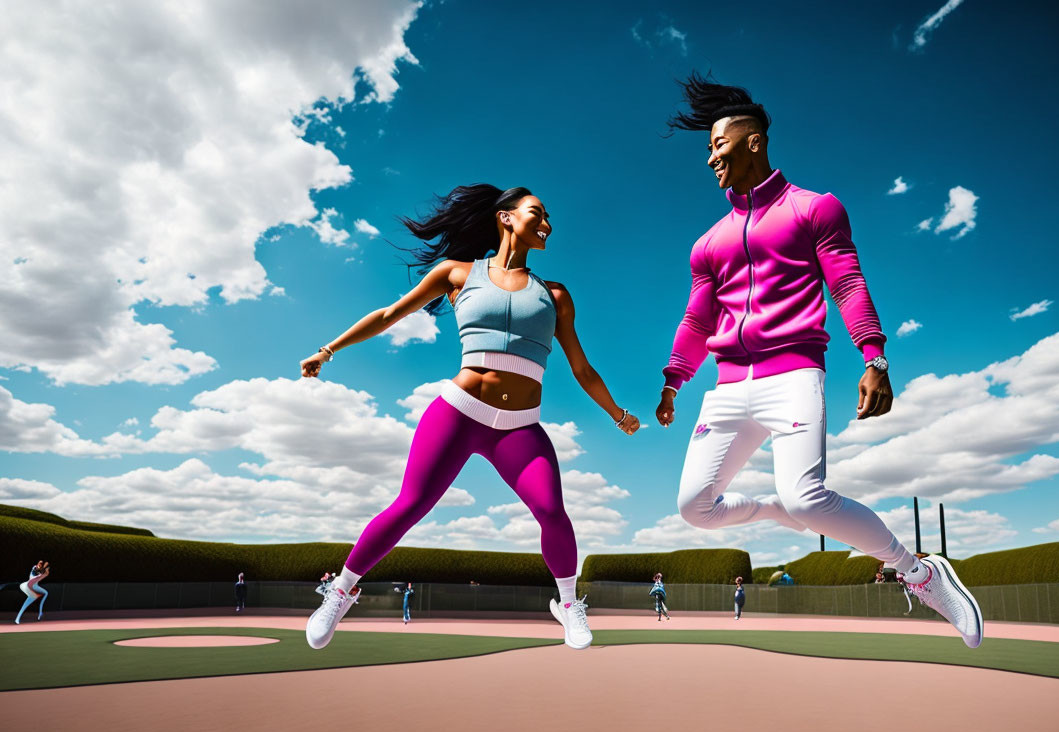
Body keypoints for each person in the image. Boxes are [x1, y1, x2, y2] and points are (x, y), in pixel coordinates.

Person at [656, 72, 983, 648]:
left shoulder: (816, 209)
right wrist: (674, 381)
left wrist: (875, 357)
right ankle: (778, 508)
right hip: (728, 387)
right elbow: (696, 320)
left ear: (753, 141)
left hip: (793, 377)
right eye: (707, 149)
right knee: (695, 508)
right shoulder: (707, 243)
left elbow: (848, 284)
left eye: (718, 145)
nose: (710, 158)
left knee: (809, 496)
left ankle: (918, 572)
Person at [299, 184, 639, 651]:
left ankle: (566, 604)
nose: (547, 224)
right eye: (537, 213)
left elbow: (582, 367)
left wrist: (617, 414)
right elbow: (391, 313)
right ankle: (339, 593)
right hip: (459, 414)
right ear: (505, 217)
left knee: (552, 512)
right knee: (410, 505)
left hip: (520, 428)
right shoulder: (458, 273)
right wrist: (328, 350)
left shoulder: (555, 295)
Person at [15, 560, 49, 624]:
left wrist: (46, 570)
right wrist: (44, 567)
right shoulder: (34, 568)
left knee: (46, 593)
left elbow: (44, 574)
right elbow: (37, 571)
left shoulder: (40, 573)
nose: (40, 564)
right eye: (39, 563)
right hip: (28, 586)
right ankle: (17, 618)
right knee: (26, 604)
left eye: (41, 564)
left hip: (35, 587)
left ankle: (40, 612)